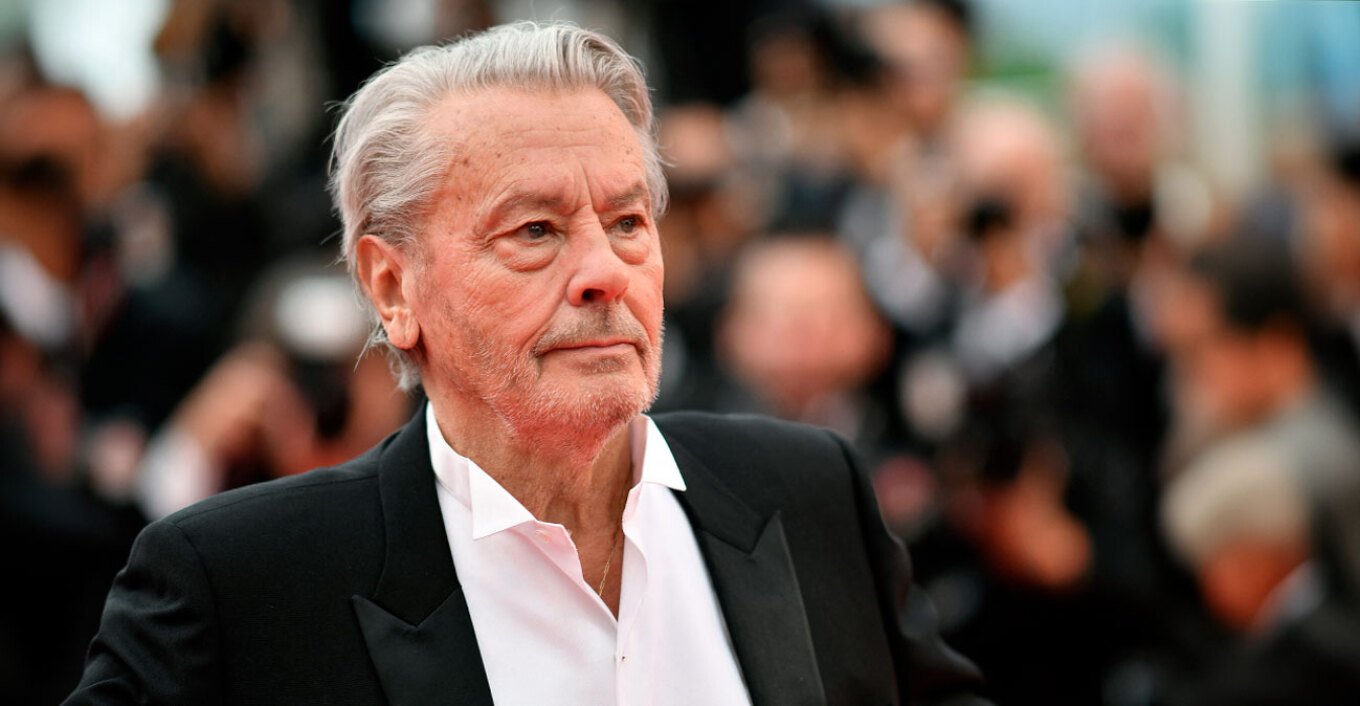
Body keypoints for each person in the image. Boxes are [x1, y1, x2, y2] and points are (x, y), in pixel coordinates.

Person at [65, 22, 987, 706]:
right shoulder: (241, 584)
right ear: (393, 287)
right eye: (536, 231)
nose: (604, 272)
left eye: (629, 222)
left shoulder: (809, 490)